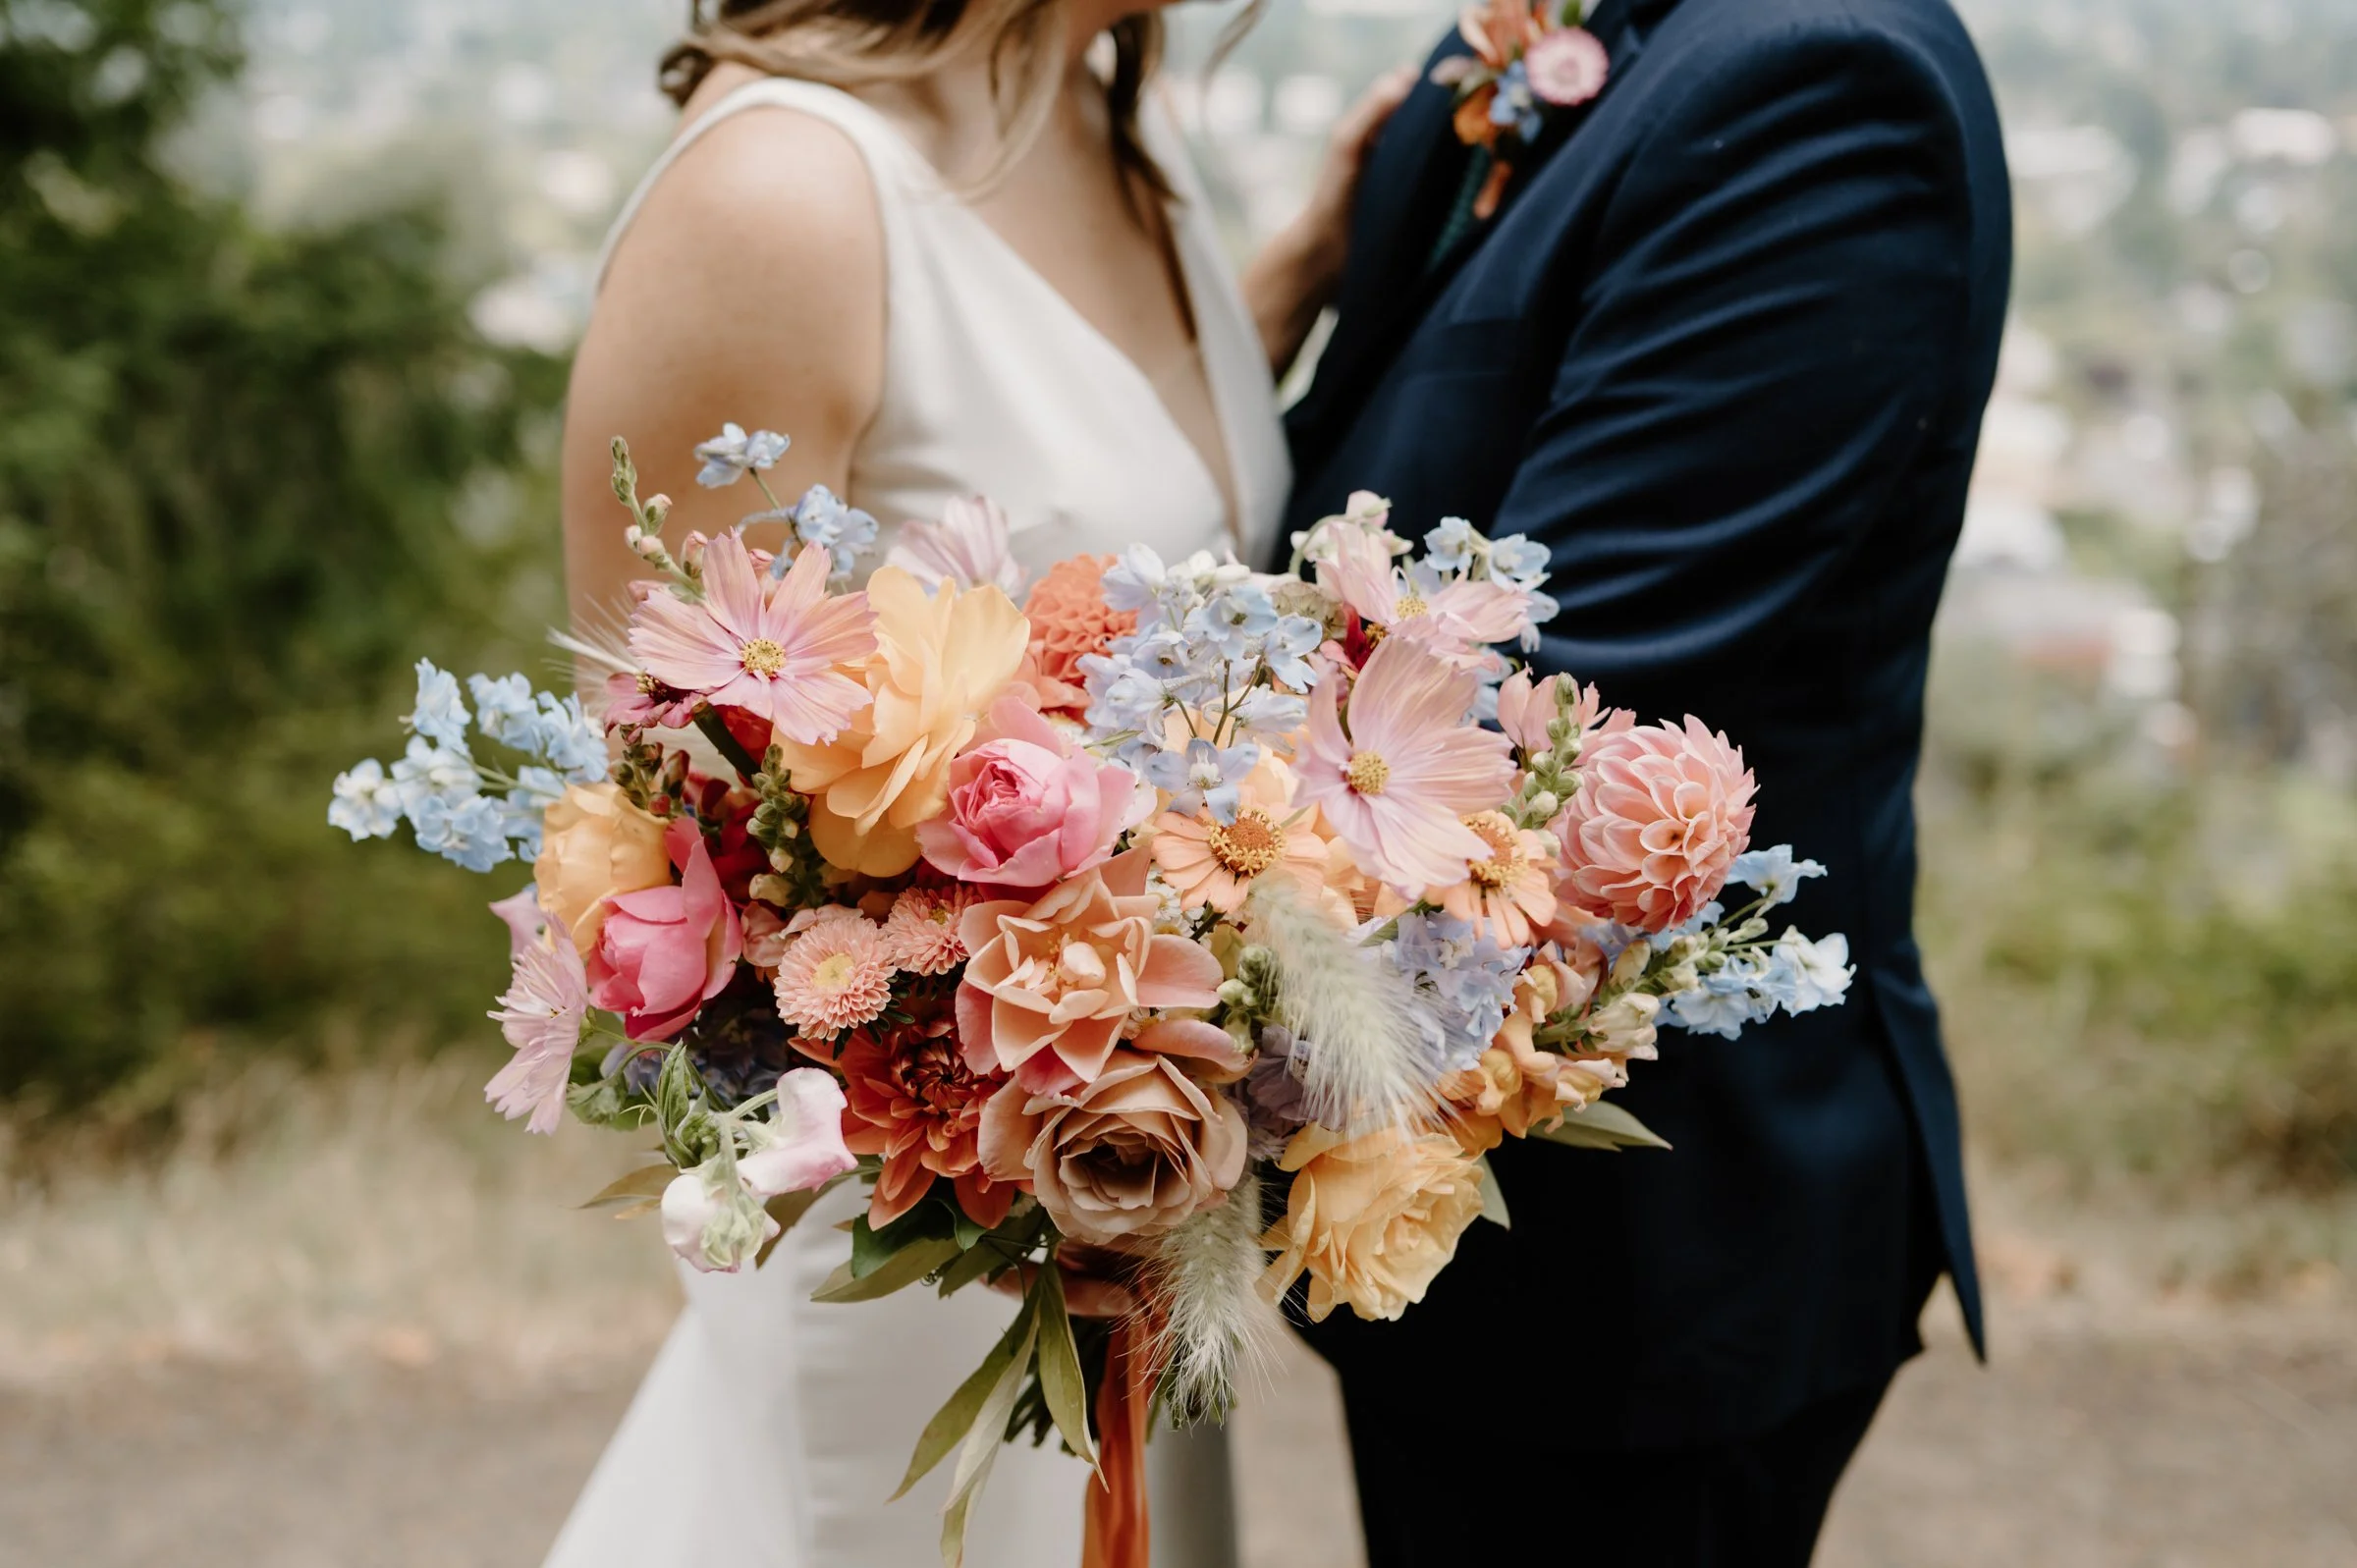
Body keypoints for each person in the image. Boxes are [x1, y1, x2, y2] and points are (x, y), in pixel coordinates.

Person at [542, 0, 1408, 1563]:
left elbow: (1089, 498)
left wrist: (1290, 282)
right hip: (920, 1235)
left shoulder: (1100, 105)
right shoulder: (782, 199)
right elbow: (684, 811)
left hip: (1125, 1194)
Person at [1279, 0, 2009, 1562]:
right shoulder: (1532, 43)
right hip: (1455, 1199)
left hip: (1655, 1256)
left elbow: (1558, 706)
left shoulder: (1819, 84)